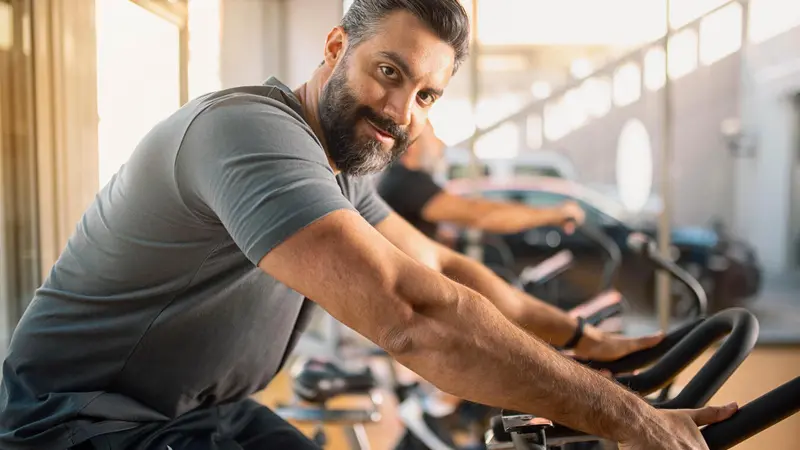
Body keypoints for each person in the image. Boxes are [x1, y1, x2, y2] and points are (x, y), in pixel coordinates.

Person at [0, 1, 737, 449]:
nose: (401, 112)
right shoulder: (251, 133)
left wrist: (587, 345)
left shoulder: (342, 167)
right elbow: (413, 316)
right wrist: (629, 418)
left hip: (202, 418)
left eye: (426, 95)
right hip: (78, 428)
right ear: (334, 48)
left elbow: (441, 271)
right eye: (389, 72)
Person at [377, 121, 585, 239]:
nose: (441, 144)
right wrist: (554, 213)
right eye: (433, 137)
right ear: (411, 146)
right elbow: (479, 214)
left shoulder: (402, 180)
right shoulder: (407, 183)